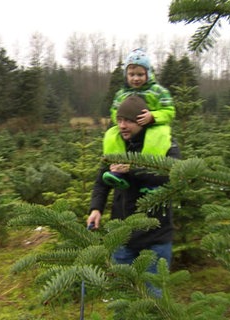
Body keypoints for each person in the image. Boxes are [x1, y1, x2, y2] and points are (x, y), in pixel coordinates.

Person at [87, 95, 181, 294]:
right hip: (122, 234)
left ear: (142, 121)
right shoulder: (116, 145)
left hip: (156, 235)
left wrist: (132, 169)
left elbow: (174, 176)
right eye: (119, 120)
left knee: (153, 297)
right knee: (122, 295)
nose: (122, 126)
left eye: (128, 120)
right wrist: (96, 209)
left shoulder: (165, 143)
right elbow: (101, 182)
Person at [109, 48, 175, 128]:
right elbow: (114, 111)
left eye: (140, 75)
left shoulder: (158, 91)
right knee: (111, 135)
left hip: (152, 127)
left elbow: (169, 111)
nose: (136, 79)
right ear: (126, 75)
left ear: (148, 74)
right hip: (128, 130)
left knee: (160, 133)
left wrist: (152, 117)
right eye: (132, 75)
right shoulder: (121, 94)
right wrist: (121, 120)